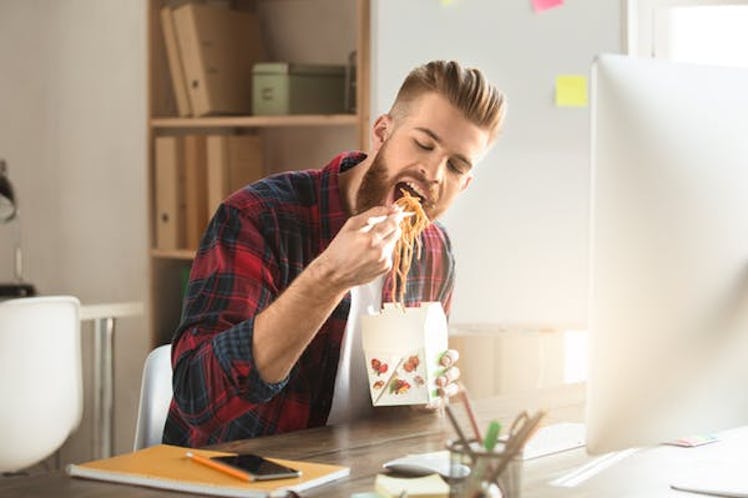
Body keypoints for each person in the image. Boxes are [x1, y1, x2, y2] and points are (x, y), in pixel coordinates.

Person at [163, 60, 507, 448]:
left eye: (456, 166)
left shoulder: (433, 251)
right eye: (424, 144)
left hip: (355, 475)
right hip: (231, 476)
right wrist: (329, 277)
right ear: (382, 132)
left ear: (465, 184)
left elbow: (393, 408)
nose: (434, 172)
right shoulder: (260, 216)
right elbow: (198, 399)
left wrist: (421, 398)